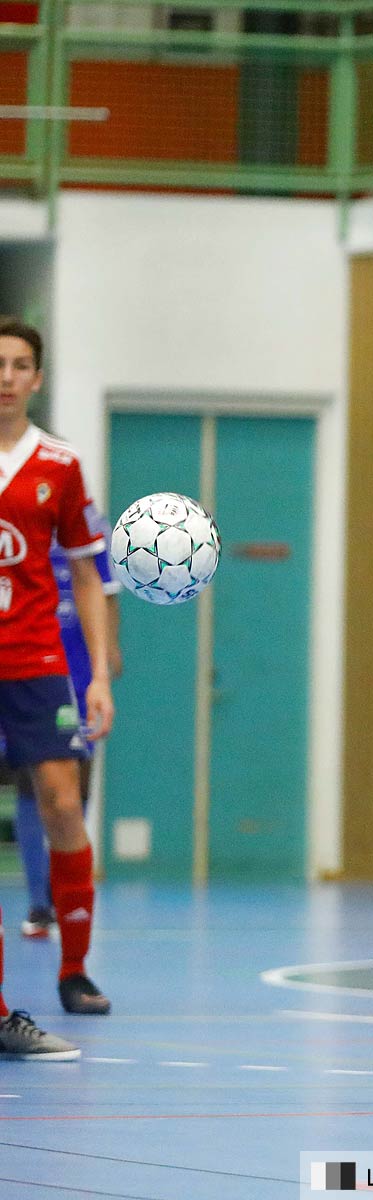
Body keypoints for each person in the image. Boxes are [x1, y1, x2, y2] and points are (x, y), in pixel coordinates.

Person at [0, 317, 113, 1062]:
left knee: (62, 804)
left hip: (39, 660)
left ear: (37, 378)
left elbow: (85, 569)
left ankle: (73, 968)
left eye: (18, 365)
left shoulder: (60, 464)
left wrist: (99, 673)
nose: (5, 375)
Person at [14, 533, 123, 940]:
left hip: (75, 681)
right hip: (25, 676)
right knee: (31, 787)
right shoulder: (20, 531)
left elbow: (107, 595)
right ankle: (40, 903)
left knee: (72, 795)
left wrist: (106, 659)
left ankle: (66, 899)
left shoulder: (89, 536)